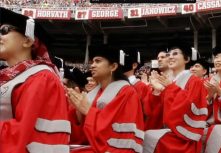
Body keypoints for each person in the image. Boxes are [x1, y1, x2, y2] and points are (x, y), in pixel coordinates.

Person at [0, 7, 70, 153]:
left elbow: (21, 134)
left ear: (27, 41)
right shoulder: (11, 77)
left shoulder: (41, 77)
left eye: (4, 30)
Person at [67, 45, 144, 153]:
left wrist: (89, 111)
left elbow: (120, 138)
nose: (92, 65)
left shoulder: (127, 93)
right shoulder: (94, 93)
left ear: (113, 67)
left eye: (98, 61)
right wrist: (78, 114)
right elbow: (82, 136)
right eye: (92, 62)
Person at [143, 43, 208, 153]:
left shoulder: (194, 81)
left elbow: (187, 108)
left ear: (186, 59)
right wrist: (156, 91)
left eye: (175, 54)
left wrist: (169, 88)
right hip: (168, 131)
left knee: (148, 138)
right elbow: (152, 112)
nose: (170, 57)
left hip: (183, 137)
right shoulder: (169, 82)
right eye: (168, 55)